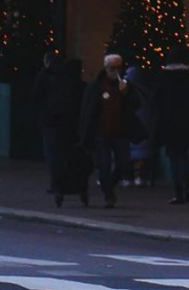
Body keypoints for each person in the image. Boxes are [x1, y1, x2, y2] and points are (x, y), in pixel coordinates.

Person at [79, 53, 134, 207]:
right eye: (112, 68)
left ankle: (109, 185)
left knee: (123, 163)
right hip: (101, 132)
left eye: (118, 67)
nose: (115, 71)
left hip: (120, 131)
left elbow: (134, 106)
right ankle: (108, 194)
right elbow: (88, 110)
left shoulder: (124, 85)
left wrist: (125, 94)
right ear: (106, 67)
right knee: (103, 165)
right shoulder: (96, 86)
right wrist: (85, 131)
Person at [155, 46, 189, 205]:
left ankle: (179, 191)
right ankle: (187, 189)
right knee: (183, 155)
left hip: (169, 119)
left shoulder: (164, 75)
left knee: (173, 156)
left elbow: (156, 98)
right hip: (186, 119)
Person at [36, 52, 79, 201]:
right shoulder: (68, 76)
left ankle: (56, 184)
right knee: (64, 153)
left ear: (47, 62)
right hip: (67, 121)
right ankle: (66, 182)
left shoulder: (44, 76)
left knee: (52, 154)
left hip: (50, 121)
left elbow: (36, 97)